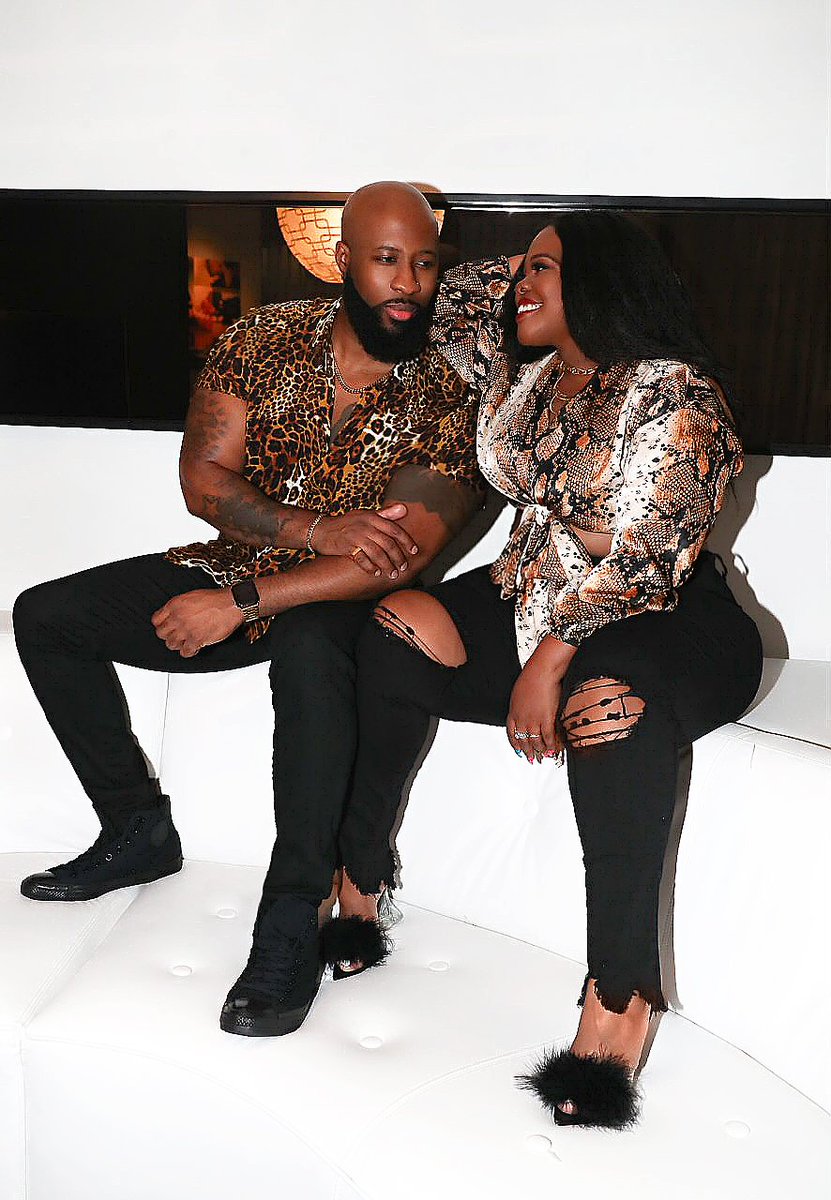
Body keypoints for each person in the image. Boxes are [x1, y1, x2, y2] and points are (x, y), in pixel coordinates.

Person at [12, 181, 482, 1038]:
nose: (407, 283)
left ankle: (291, 916)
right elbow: (204, 481)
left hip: (343, 600)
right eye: (386, 260)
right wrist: (309, 530)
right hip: (236, 559)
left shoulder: (448, 394)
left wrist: (239, 604)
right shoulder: (261, 339)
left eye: (422, 263)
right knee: (46, 616)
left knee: (310, 650)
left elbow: (395, 559)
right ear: (343, 259)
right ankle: (134, 828)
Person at [331, 213, 764, 1128]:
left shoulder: (675, 391)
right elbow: (448, 295)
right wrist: (534, 259)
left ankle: (619, 997)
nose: (520, 285)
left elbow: (646, 554)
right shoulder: (522, 374)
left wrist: (545, 669)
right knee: (396, 626)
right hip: (527, 592)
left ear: (604, 284)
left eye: (545, 271)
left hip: (665, 619)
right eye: (522, 269)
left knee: (608, 709)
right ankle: (359, 881)